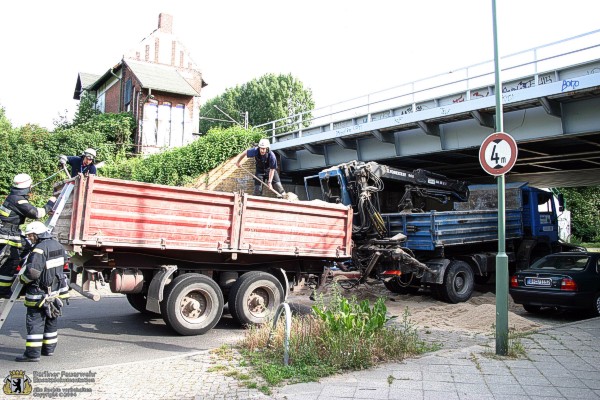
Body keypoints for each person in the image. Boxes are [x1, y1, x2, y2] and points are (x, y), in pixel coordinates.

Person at [15, 221, 69, 362]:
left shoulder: (39, 249)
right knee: (51, 319)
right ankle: (49, 349)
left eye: (30, 235)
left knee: (35, 322)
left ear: (36, 234)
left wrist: (22, 279)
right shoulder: (58, 246)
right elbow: (63, 263)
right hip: (55, 292)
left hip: (39, 293)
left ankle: (32, 354)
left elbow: (32, 273)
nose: (29, 238)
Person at [0, 174, 56, 298]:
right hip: (8, 235)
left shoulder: (13, 198)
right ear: (28, 186)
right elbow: (35, 213)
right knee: (11, 261)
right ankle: (3, 290)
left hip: (9, 232)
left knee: (25, 247)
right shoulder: (18, 200)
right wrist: (50, 203)